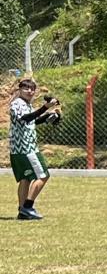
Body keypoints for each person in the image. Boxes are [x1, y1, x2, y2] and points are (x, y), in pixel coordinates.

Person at [11, 76, 59, 220]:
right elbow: (25, 118)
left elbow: (32, 121)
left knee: (25, 178)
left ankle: (22, 211)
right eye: (26, 88)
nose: (29, 91)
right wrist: (45, 107)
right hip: (26, 149)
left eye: (32, 89)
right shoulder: (17, 104)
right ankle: (28, 207)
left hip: (21, 149)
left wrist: (48, 116)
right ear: (19, 89)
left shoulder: (27, 104)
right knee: (43, 175)